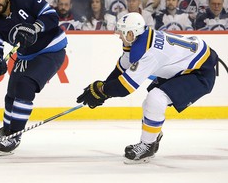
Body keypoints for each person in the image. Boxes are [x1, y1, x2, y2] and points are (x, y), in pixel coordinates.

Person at [76, 12, 218, 164]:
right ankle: (151, 137)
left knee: (156, 98)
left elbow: (125, 87)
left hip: (200, 72)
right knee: (151, 103)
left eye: (122, 32)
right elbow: (122, 68)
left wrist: (103, 92)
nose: (119, 36)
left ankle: (148, 145)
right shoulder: (138, 40)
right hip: (187, 65)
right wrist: (102, 88)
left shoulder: (149, 52)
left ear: (131, 33)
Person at [0, 0, 67, 154]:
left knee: (25, 85)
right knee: (11, 95)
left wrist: (35, 28)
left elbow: (51, 16)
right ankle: (6, 132)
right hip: (25, 56)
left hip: (50, 50)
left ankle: (14, 135)